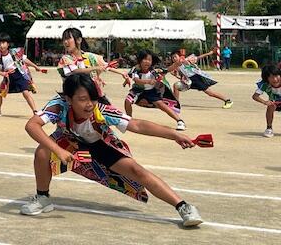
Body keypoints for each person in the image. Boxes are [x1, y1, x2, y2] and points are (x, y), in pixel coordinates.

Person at [19, 73, 203, 227]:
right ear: (68, 99)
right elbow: (32, 125)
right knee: (42, 151)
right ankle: (42, 197)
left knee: (138, 171)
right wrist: (58, 151)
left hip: (101, 146)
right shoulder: (59, 105)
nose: (89, 104)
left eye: (92, 98)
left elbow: (137, 125)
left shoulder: (101, 110)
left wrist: (174, 135)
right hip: (69, 143)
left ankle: (184, 207)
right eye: (82, 99)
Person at [57, 28, 128, 104]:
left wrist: (122, 73)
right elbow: (76, 71)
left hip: (95, 96)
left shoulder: (90, 57)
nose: (65, 42)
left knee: (111, 111)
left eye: (68, 38)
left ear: (79, 40)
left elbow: (106, 66)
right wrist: (96, 68)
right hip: (74, 98)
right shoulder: (66, 59)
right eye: (64, 39)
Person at [124, 50, 186, 131]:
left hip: (151, 91)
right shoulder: (136, 69)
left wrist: (177, 63)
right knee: (127, 101)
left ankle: (180, 121)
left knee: (161, 105)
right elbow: (137, 80)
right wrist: (148, 81)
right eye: (145, 59)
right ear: (140, 60)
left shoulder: (154, 70)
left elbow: (168, 69)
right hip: (137, 91)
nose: (147, 62)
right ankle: (129, 120)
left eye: (149, 60)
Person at [0, 33, 47, 117]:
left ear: (8, 44)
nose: (1, 45)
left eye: (3, 43)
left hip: (19, 74)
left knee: (25, 92)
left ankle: (35, 111)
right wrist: (2, 73)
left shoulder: (15, 52)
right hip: (8, 77)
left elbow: (25, 60)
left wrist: (35, 67)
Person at [252, 65, 281, 138]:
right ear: (266, 78)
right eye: (271, 77)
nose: (275, 79)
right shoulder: (264, 84)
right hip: (274, 102)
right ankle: (269, 128)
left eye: (276, 76)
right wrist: (265, 102)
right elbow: (255, 96)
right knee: (270, 106)